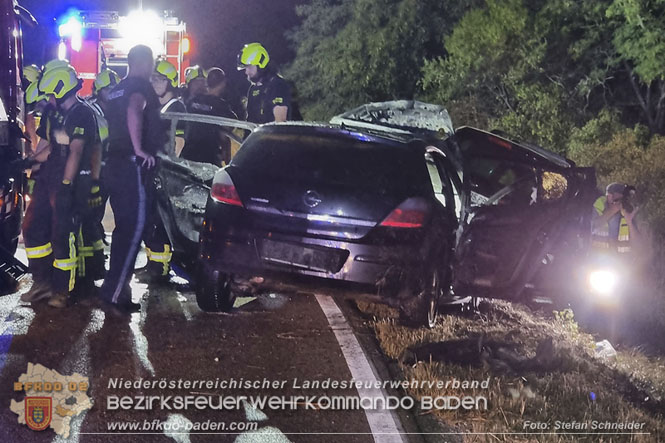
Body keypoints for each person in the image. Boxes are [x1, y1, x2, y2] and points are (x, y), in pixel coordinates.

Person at [22, 64, 101, 307]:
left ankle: (61, 290)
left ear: (59, 87)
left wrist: (66, 185)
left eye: (49, 93)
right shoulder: (53, 113)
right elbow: (48, 146)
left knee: (62, 234)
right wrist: (29, 164)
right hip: (49, 177)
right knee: (32, 228)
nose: (47, 98)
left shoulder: (82, 114)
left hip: (71, 180)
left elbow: (75, 153)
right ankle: (42, 282)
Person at [101, 45, 163, 314]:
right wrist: (139, 149)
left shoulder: (116, 89)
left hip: (113, 164)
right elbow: (134, 110)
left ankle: (116, 291)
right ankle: (114, 295)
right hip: (131, 165)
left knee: (123, 231)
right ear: (145, 63)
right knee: (134, 229)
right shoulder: (139, 86)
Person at [181, 67, 237, 165]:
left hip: (193, 156)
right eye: (197, 82)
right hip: (204, 157)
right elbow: (228, 129)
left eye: (202, 81)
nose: (200, 85)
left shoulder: (189, 102)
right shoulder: (219, 105)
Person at [237, 42, 291, 123]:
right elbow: (250, 124)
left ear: (261, 64)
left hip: (272, 135)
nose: (246, 72)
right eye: (245, 68)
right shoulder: (253, 89)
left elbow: (280, 123)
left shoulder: (278, 85)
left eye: (250, 67)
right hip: (259, 135)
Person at [592, 183, 641, 254]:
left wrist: (629, 222)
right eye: (618, 199)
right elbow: (593, 226)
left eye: (622, 199)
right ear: (609, 196)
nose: (620, 202)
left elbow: (638, 243)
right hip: (599, 259)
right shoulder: (599, 207)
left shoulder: (628, 212)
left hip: (623, 261)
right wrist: (612, 211)